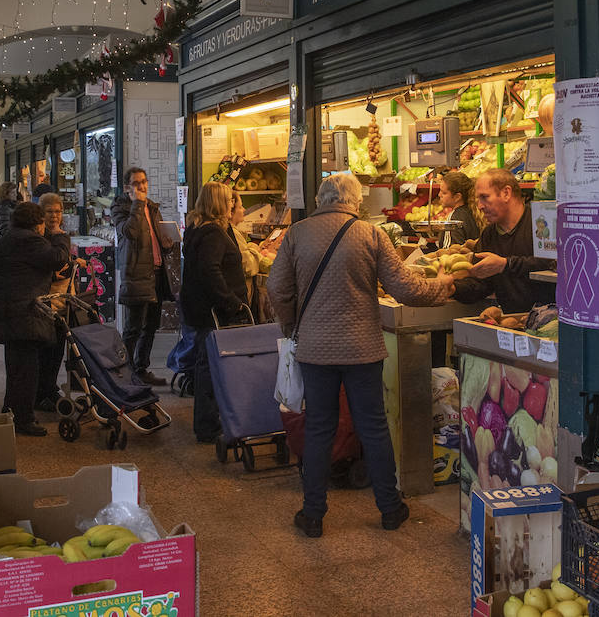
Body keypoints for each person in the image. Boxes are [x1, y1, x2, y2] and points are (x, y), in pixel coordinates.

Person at [267, 173, 455, 539]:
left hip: (316, 349)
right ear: (354, 201)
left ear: (321, 199)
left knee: (320, 426)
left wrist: (291, 325)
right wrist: (440, 288)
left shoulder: (296, 234)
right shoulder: (371, 235)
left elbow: (276, 287)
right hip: (362, 349)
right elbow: (403, 287)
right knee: (373, 426)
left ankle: (313, 514)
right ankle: (389, 508)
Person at [0, 201, 72, 436]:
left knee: (16, 368)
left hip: (9, 312)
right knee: (25, 369)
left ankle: (11, 411)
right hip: (22, 314)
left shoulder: (11, 237)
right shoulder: (28, 240)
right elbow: (58, 258)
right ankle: (23, 419)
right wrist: (60, 236)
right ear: (38, 223)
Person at [180, 182, 248, 443]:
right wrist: (229, 302)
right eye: (229, 200)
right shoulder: (214, 235)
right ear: (219, 202)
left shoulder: (197, 229)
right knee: (209, 366)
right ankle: (208, 425)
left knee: (206, 363)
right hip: (213, 312)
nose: (232, 203)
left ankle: (208, 421)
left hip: (199, 309)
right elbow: (211, 271)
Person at [453, 168, 554, 314]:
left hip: (548, 322)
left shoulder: (540, 224)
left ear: (506, 193)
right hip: (512, 324)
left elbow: (550, 264)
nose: (480, 206)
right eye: (478, 199)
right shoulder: (489, 234)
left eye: (484, 197)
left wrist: (505, 264)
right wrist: (453, 288)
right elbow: (482, 285)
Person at [111, 167, 175, 386]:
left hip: (157, 273)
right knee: (133, 328)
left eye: (144, 181)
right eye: (137, 183)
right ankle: (123, 373)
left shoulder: (153, 208)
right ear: (128, 187)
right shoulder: (121, 208)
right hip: (137, 275)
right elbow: (130, 232)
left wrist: (167, 242)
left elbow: (156, 240)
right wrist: (137, 204)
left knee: (151, 326)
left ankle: (140, 368)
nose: (143, 186)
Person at [37, 192, 75, 413]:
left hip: (61, 301)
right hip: (44, 303)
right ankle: (42, 392)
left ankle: (49, 389)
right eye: (50, 211)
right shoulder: (43, 238)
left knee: (57, 348)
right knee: (47, 349)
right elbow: (53, 266)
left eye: (58, 211)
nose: (54, 216)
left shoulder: (59, 236)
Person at [438, 170, 483, 245]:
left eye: (444, 193)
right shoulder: (474, 210)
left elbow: (450, 250)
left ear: (457, 197)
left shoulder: (454, 219)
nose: (439, 195)